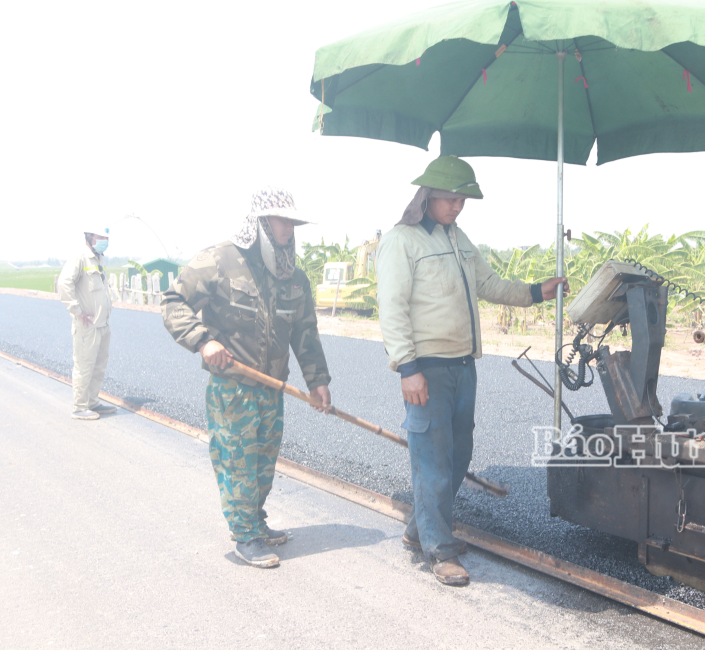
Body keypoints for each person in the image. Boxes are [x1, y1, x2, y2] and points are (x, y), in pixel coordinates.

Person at [376, 156, 568, 586]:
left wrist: (537, 291)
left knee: (458, 454)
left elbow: (489, 284)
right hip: (427, 368)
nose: (457, 206)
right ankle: (439, 550)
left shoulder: (458, 238)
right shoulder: (401, 241)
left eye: (463, 200)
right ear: (428, 196)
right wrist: (408, 368)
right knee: (432, 459)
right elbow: (392, 308)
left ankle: (419, 529)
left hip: (464, 366)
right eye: (451, 199)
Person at [161, 188, 332, 569]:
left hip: (273, 389)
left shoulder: (294, 277)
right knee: (237, 464)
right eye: (282, 220)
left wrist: (317, 380)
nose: (289, 229)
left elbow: (305, 331)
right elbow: (173, 302)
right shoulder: (219, 261)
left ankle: (255, 520)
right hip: (233, 388)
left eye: (293, 222)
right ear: (261, 222)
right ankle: (245, 536)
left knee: (263, 465)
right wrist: (203, 341)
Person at [58, 225, 117, 421]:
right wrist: (77, 311)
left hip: (102, 324)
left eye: (106, 238)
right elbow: (64, 283)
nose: (105, 241)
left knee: (99, 366)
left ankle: (92, 402)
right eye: (101, 237)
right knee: (84, 366)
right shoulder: (80, 257)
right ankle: (80, 407)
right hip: (87, 326)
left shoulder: (98, 258)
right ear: (89, 236)